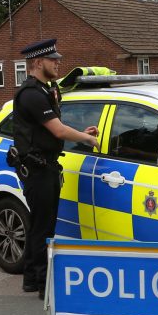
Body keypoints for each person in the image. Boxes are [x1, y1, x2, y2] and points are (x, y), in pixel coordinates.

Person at [11, 39, 100, 299]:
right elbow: (58, 130)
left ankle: (30, 278)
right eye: (53, 60)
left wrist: (79, 133)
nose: (58, 63)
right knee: (44, 227)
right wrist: (88, 139)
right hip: (37, 169)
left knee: (39, 224)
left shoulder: (43, 90)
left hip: (44, 165)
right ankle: (43, 284)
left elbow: (51, 132)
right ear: (38, 63)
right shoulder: (31, 94)